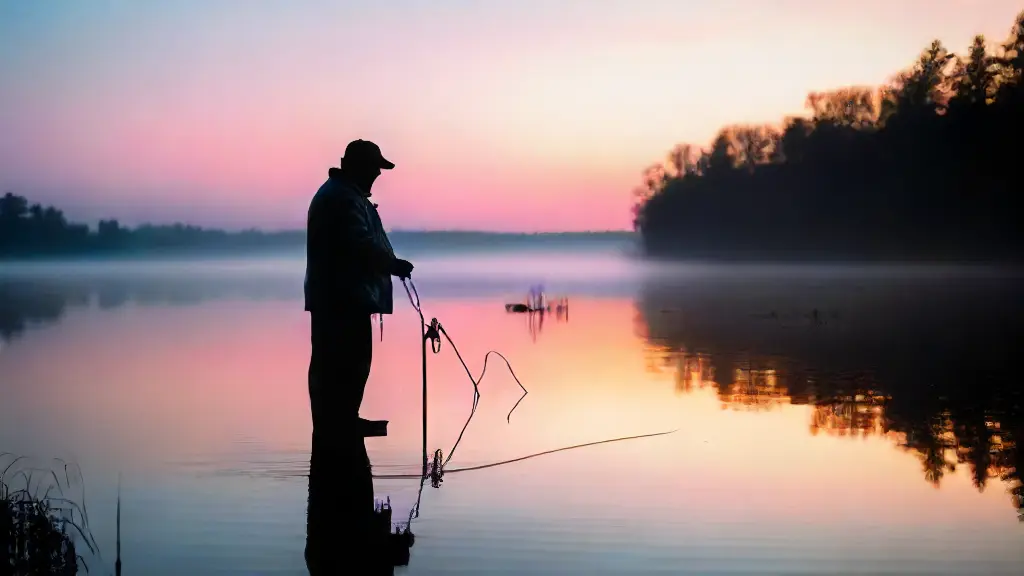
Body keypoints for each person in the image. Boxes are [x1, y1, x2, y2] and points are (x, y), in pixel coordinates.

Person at [304, 139, 414, 438]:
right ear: (358, 167)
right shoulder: (343, 198)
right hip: (342, 299)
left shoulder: (343, 194)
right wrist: (393, 265)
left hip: (343, 297)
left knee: (343, 363)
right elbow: (359, 245)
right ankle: (337, 425)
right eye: (375, 168)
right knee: (343, 364)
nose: (378, 175)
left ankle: (340, 421)